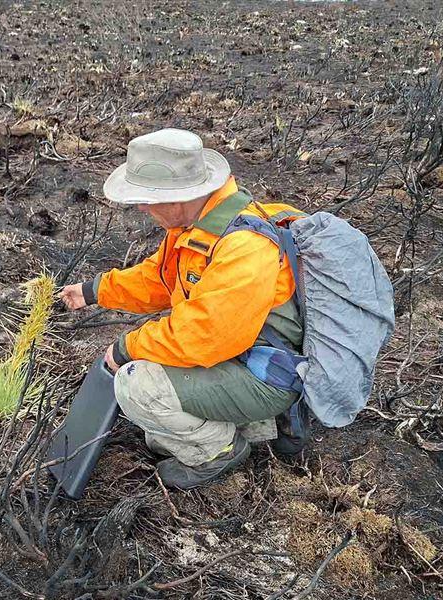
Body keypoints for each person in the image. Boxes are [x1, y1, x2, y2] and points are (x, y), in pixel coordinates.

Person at [59, 128, 304, 489]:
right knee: (154, 421)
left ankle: (219, 451)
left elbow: (203, 336)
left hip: (264, 375)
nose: (141, 207)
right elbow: (159, 279)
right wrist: (93, 291)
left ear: (178, 197)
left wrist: (125, 349)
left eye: (147, 198)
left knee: (137, 385)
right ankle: (252, 427)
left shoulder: (245, 248)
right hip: (238, 358)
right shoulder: (197, 226)